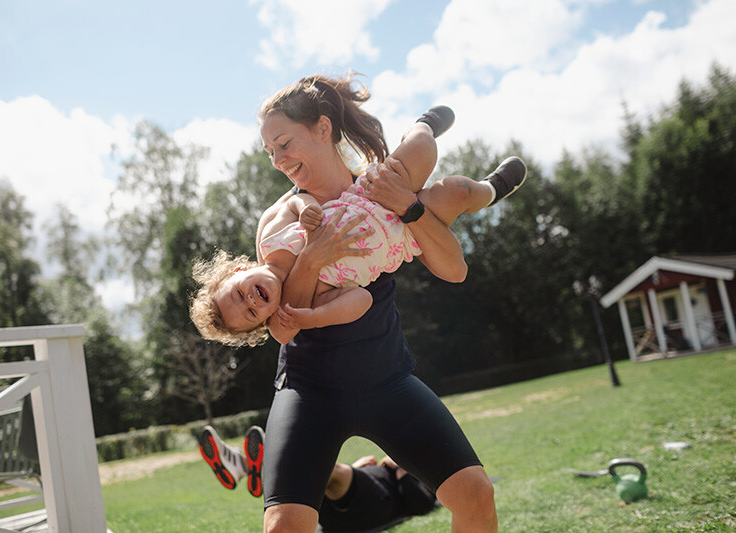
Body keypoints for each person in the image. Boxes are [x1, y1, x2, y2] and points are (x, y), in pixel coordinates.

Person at [228, 73, 510, 533]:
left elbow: (455, 269)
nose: (278, 161)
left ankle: (482, 175)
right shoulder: (280, 219)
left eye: (284, 144)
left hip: (386, 381)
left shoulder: (382, 186)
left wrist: (408, 207)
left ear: (322, 129)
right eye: (270, 152)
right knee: (284, 526)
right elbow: (286, 322)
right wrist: (314, 257)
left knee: (476, 494)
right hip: (309, 390)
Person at [189, 104, 526, 347]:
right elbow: (361, 300)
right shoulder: (306, 302)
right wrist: (313, 318)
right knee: (457, 191)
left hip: (368, 198)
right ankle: (492, 190)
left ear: (237, 269)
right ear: (262, 321)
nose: (251, 299)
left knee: (423, 145)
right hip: (401, 237)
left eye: (238, 293)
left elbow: (293, 202)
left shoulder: (271, 240)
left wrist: (307, 209)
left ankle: (423, 124)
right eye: (251, 312)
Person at [199, 425, 438, 532]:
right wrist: (361, 468)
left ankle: (242, 465)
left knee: (326, 468)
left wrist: (401, 468)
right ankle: (242, 466)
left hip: (375, 505)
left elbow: (421, 504)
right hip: (345, 506)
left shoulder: (427, 476)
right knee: (309, 474)